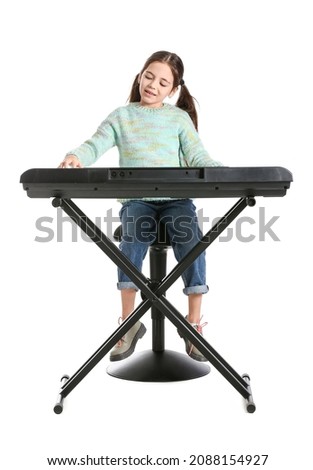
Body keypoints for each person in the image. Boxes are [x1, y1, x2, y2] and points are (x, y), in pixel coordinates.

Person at [58, 50, 222, 362]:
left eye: (163, 82)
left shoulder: (178, 118)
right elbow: (96, 143)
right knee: (132, 235)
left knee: (191, 238)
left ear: (173, 90)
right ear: (139, 75)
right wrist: (77, 156)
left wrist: (220, 171)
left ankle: (193, 324)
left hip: (176, 201)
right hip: (137, 200)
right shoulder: (121, 116)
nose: (153, 85)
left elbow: (198, 155)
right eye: (149, 76)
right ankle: (129, 323)